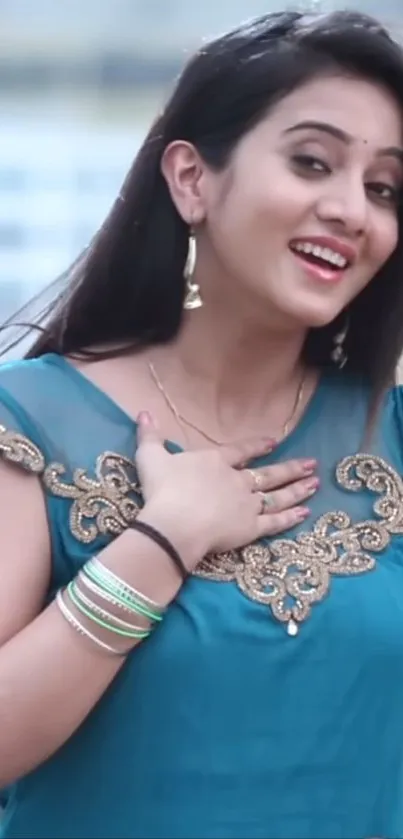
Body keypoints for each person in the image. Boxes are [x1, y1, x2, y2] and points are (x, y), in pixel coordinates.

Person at [1, 7, 403, 838]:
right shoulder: (32, 422)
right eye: (311, 162)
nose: (351, 211)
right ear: (191, 179)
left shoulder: (389, 431)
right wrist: (160, 543)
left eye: (383, 188)